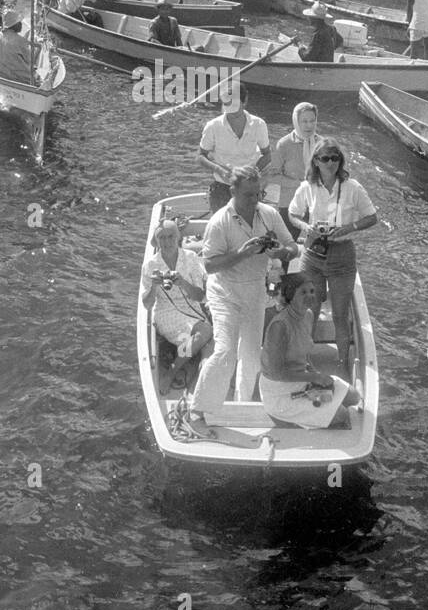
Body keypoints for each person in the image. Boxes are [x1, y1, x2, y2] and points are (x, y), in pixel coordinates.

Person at [186, 168, 297, 431]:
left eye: (258, 194)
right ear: (233, 191)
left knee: (249, 354)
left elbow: (293, 246)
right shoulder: (219, 221)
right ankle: (199, 407)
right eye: (248, 195)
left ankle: (242, 402)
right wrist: (243, 253)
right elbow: (210, 266)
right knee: (225, 350)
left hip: (255, 291)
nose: (254, 199)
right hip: (224, 292)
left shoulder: (268, 214)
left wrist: (281, 252)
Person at [288, 141, 377, 372]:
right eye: (326, 158)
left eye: (335, 158)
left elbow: (371, 217)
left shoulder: (352, 187)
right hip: (313, 253)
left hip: (342, 255)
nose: (331, 163)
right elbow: (293, 214)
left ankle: (342, 364)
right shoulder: (307, 186)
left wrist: (351, 227)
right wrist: (306, 227)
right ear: (316, 161)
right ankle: (304, 361)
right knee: (310, 311)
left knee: (339, 313)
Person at [259, 274, 362, 428]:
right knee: (342, 415)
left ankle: (314, 417)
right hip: (279, 391)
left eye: (312, 291)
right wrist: (315, 377)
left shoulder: (308, 315)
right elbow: (276, 373)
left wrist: (316, 376)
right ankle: (289, 419)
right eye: (303, 292)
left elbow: (305, 354)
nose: (310, 296)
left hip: (302, 380)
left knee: (353, 396)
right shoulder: (279, 326)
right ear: (290, 295)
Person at [141, 220, 212, 379]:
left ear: (178, 236)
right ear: (157, 241)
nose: (166, 242)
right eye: (162, 238)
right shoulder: (150, 265)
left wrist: (183, 283)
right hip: (166, 312)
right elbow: (147, 305)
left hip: (192, 309)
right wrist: (154, 287)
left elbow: (200, 296)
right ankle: (172, 373)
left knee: (203, 341)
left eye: (170, 236)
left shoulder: (191, 258)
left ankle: (190, 365)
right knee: (206, 333)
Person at [198, 84, 270, 211]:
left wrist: (253, 171)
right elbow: (200, 156)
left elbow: (267, 155)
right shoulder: (212, 126)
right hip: (222, 187)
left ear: (245, 101)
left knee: (250, 227)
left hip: (249, 188)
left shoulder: (259, 124)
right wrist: (220, 170)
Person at [266, 102, 321, 230]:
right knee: (287, 242)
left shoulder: (322, 144)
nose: (309, 125)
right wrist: (297, 184)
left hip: (316, 203)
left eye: (312, 121)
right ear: (296, 121)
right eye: (304, 121)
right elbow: (271, 176)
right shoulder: (284, 144)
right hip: (290, 203)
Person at [0, 9, 32, 83]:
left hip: (1, 76)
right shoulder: (20, 41)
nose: (21, 24)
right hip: (22, 80)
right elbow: (30, 61)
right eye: (19, 22)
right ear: (14, 24)